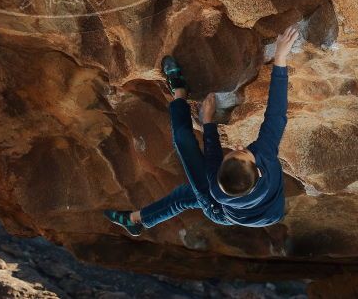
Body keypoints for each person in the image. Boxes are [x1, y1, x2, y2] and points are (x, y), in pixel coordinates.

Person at [103, 25, 300, 235]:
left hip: (221, 210)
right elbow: (276, 114)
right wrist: (280, 58)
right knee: (187, 196)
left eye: (237, 151)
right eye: (243, 152)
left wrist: (207, 121)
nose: (240, 145)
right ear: (259, 171)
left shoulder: (215, 188)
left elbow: (213, 155)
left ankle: (179, 90)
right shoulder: (265, 156)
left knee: (183, 146)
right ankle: (136, 221)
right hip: (264, 213)